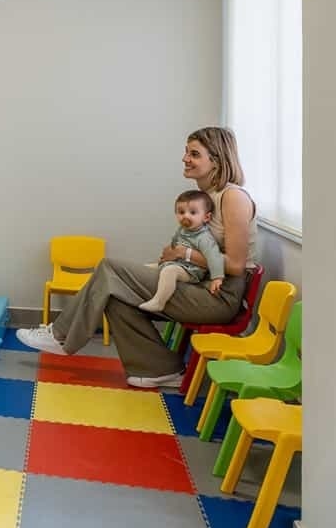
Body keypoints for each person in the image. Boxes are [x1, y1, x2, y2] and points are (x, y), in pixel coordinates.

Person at [17, 127, 258, 388]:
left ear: (217, 161)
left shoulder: (233, 197)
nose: (185, 158)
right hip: (199, 285)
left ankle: (61, 335)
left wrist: (184, 253)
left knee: (110, 269)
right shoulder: (206, 198)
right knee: (115, 295)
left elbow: (235, 265)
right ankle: (159, 369)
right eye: (186, 152)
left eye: (194, 154)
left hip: (219, 297)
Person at [137, 189, 225, 313]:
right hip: (178, 263)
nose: (186, 216)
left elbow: (214, 257)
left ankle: (159, 302)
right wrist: (169, 251)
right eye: (181, 212)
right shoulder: (183, 230)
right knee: (145, 268)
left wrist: (217, 278)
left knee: (170, 271)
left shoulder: (204, 238)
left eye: (193, 212)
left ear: (206, 217)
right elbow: (176, 240)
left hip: (191, 271)